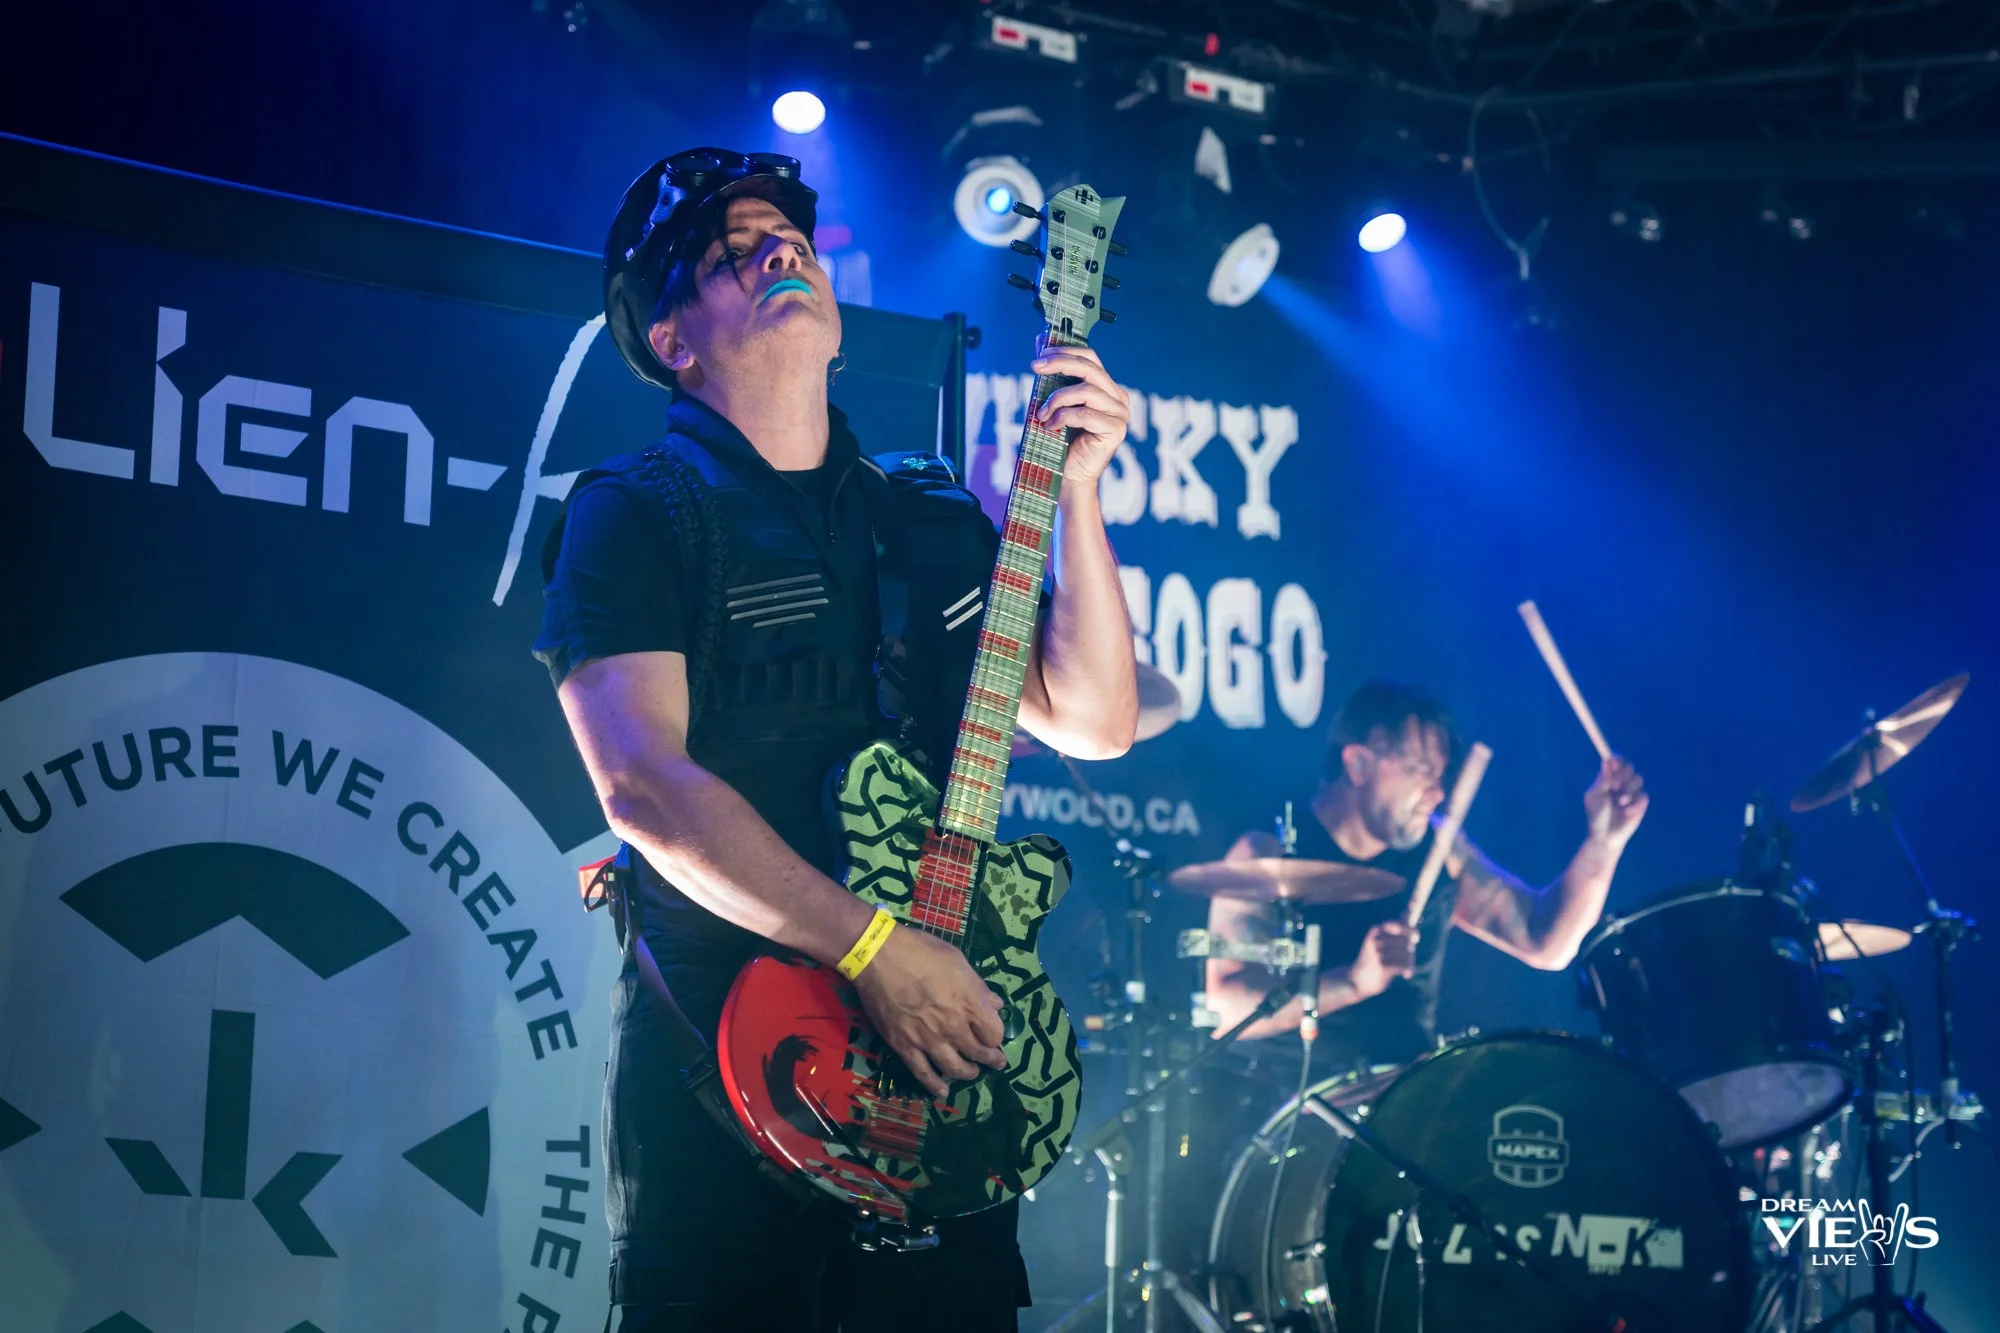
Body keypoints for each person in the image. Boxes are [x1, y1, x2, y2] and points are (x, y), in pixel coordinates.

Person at [533, 148, 1138, 1331]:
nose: (780, 252)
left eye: (794, 241)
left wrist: (1075, 489)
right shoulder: (634, 509)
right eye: (732, 251)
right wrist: (875, 951)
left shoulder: (928, 514)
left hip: (936, 1092)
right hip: (728, 1074)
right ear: (669, 337)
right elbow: (643, 785)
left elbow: (1095, 718)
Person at [1203, 678, 1649, 1073]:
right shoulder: (1265, 855)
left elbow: (1545, 941)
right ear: (1358, 765)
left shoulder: (1440, 848)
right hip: (1289, 1108)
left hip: (1407, 1097)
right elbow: (1226, 1005)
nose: (1437, 793)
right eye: (1421, 771)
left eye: (1441, 776)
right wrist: (1353, 982)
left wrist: (1604, 843)